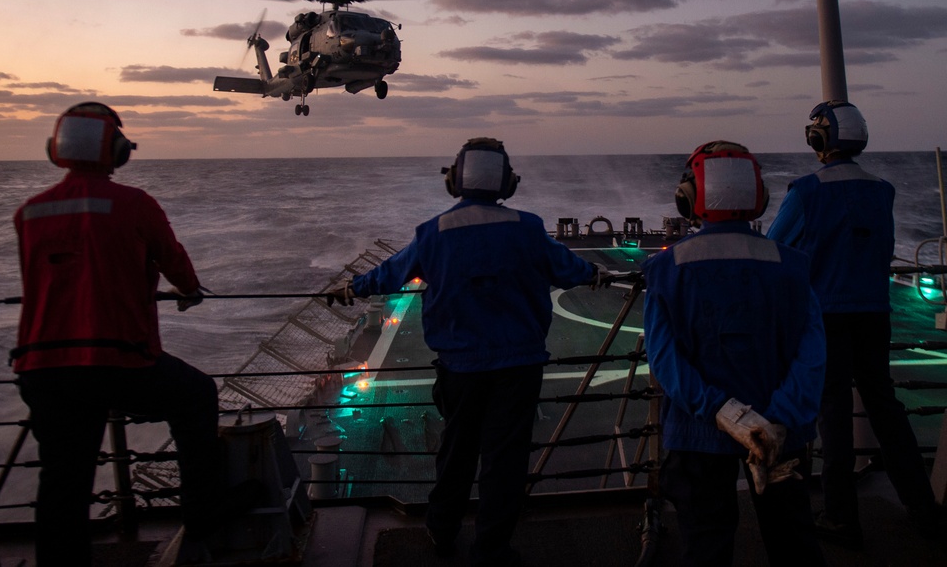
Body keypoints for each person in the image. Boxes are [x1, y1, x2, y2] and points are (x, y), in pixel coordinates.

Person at [326, 137, 606, 567]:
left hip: (460, 368)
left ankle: (441, 532)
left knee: (455, 454)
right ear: (508, 183)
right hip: (519, 366)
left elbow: (391, 272)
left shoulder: (433, 233)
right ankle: (491, 549)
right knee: (505, 462)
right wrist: (597, 274)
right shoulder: (528, 228)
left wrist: (352, 288)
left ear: (454, 181)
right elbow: (571, 269)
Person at [12, 102, 218, 566]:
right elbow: (175, 264)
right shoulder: (135, 205)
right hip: (119, 362)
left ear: (55, 150)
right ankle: (204, 518)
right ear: (118, 152)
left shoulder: (29, 213)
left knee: (63, 483)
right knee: (197, 396)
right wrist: (189, 291)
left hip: (43, 370)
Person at [643, 140, 827, 567]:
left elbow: (666, 360)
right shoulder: (793, 265)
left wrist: (723, 412)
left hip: (700, 433)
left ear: (689, 199)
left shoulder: (667, 269)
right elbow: (812, 351)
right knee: (794, 541)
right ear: (759, 197)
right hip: (781, 435)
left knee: (705, 542)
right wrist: (777, 419)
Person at [767, 100, 940, 547]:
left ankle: (841, 516)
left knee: (833, 414)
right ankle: (924, 511)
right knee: (887, 409)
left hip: (827, 316)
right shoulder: (883, 189)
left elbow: (774, 247)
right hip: (874, 313)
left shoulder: (807, 191)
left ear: (819, 140)